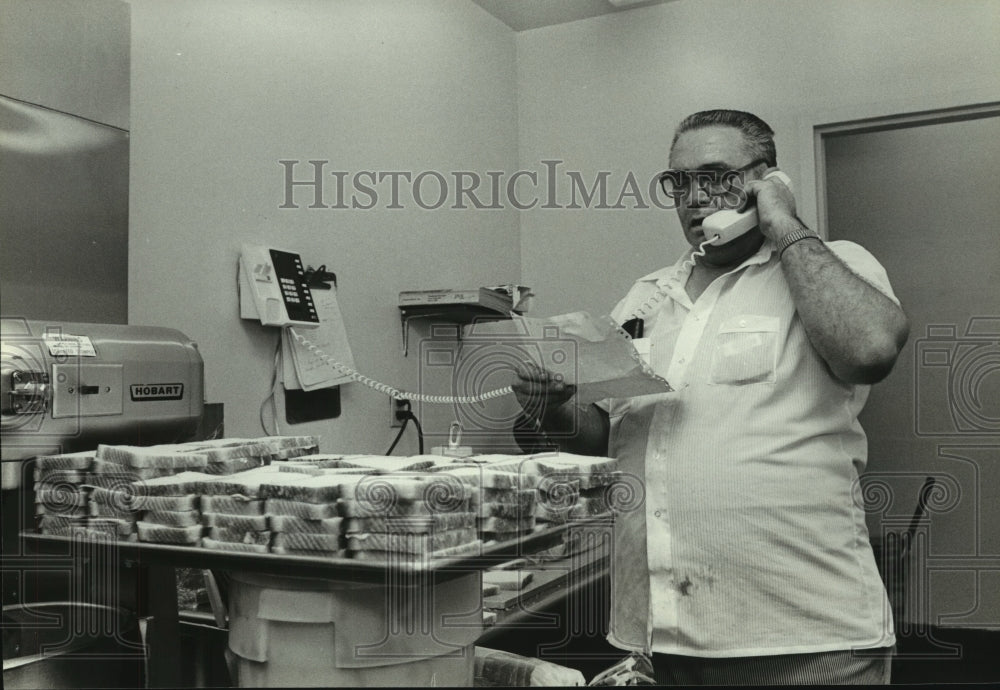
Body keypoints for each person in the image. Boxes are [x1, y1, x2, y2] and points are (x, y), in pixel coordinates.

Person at [512, 109, 909, 685]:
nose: (696, 197)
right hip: (664, 636)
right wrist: (552, 406)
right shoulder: (644, 300)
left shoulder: (833, 263)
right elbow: (605, 437)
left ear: (766, 179)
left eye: (718, 175)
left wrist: (782, 224)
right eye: (680, 181)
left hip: (807, 636)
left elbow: (871, 350)